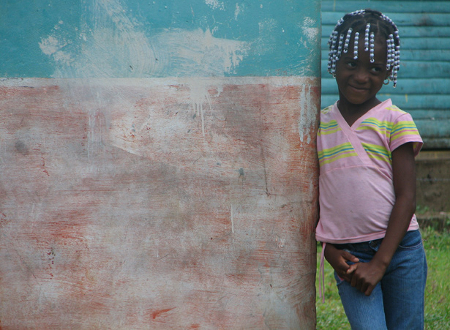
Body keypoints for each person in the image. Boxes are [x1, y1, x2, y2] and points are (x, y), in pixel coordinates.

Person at [316, 9, 427, 330]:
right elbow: (319, 194)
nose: (362, 76)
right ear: (334, 60)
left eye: (375, 68)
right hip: (349, 257)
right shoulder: (320, 124)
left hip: (401, 251)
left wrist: (380, 263)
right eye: (352, 64)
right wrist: (329, 249)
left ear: (388, 71)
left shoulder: (396, 120)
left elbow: (407, 198)